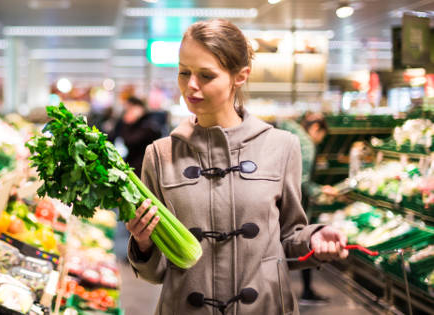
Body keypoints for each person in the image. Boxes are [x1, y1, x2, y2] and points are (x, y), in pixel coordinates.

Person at [125, 19, 348, 315]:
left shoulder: (282, 147)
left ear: (240, 76)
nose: (191, 85)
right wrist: (143, 244)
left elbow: (288, 239)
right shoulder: (160, 155)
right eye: (184, 72)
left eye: (206, 75)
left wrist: (315, 237)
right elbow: (156, 273)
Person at [277, 114, 339, 305]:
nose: (320, 140)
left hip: (279, 201)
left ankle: (302, 291)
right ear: (315, 129)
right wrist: (321, 190)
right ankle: (304, 292)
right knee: (303, 242)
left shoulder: (287, 134)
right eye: (323, 136)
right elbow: (302, 182)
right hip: (295, 205)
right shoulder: (306, 144)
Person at [108, 96, 163, 176]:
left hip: (144, 167)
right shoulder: (132, 124)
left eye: (130, 109)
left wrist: (127, 124)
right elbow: (114, 137)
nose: (127, 112)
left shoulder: (149, 125)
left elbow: (131, 141)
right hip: (133, 164)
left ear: (139, 108)